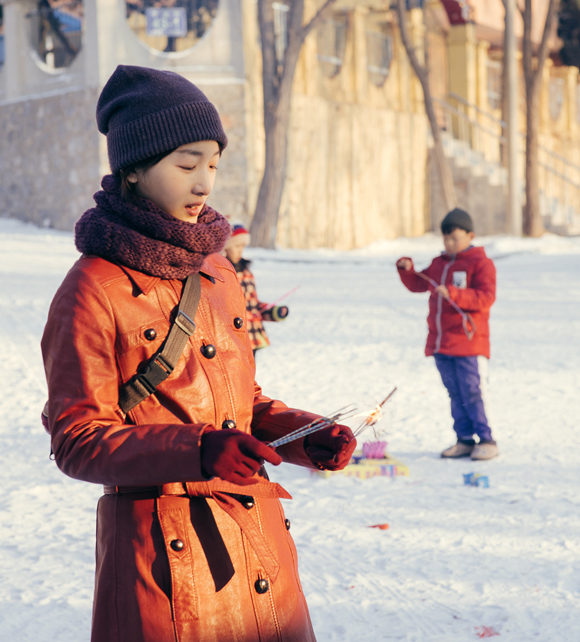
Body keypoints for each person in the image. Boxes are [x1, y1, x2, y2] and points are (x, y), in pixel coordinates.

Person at [40, 65, 356, 642]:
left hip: (259, 547)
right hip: (164, 565)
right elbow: (76, 438)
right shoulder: (92, 287)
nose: (205, 183)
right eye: (186, 164)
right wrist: (199, 451)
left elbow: (240, 402)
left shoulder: (215, 268)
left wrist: (304, 435)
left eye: (212, 164)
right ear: (134, 169)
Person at [395, 208, 498, 461]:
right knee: (454, 394)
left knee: (471, 392)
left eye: (455, 238)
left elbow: (486, 298)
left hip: (467, 342)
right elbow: (419, 284)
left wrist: (455, 293)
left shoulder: (480, 263)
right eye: (445, 239)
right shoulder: (439, 263)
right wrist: (407, 270)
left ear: (470, 235)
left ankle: (486, 440)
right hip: (441, 343)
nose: (449, 243)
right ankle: (463, 440)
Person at [223, 223, 289, 357]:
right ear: (226, 248)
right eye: (236, 246)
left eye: (242, 247)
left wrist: (273, 312)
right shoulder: (222, 272)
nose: (240, 251)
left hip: (252, 337)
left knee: (250, 377)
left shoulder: (246, 272)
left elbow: (253, 306)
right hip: (233, 337)